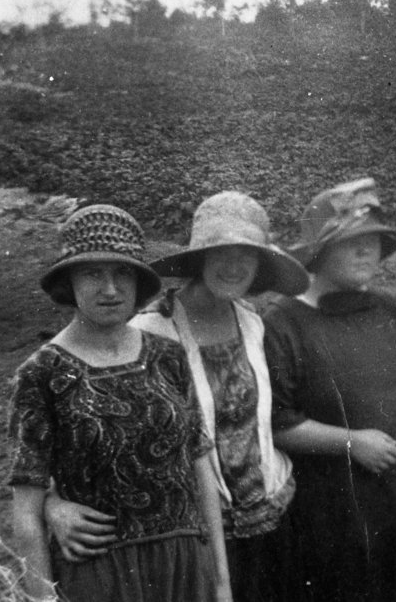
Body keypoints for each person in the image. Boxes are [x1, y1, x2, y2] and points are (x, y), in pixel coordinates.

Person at [43, 191, 310, 602]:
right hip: (198, 534)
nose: (234, 265)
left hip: (274, 520)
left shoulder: (254, 324)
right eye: (221, 251)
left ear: (260, 264)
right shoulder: (151, 334)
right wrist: (52, 502)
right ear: (199, 258)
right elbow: (79, 428)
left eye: (247, 254)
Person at [8, 204, 232, 602]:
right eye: (93, 273)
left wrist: (220, 581)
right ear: (70, 282)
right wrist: (41, 599)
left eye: (122, 272)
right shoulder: (40, 373)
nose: (110, 289)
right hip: (100, 575)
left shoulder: (169, 355)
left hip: (183, 566)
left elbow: (200, 467)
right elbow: (26, 511)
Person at [262, 178, 396, 602]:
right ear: (319, 252)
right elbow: (276, 423)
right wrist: (350, 442)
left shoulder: (390, 308)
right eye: (351, 242)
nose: (366, 251)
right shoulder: (284, 322)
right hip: (336, 514)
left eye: (373, 241)